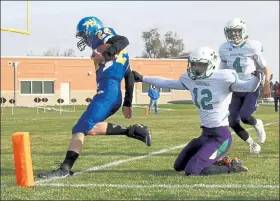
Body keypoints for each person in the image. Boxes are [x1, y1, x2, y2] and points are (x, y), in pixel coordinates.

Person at [38, 16, 151, 179]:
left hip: (107, 92)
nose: (84, 39)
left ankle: (64, 169)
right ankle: (132, 131)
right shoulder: (122, 56)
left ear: (90, 29)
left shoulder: (103, 34)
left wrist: (107, 53)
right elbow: (130, 77)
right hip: (114, 94)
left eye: (84, 34)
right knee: (87, 127)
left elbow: (122, 40)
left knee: (79, 128)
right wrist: (127, 103)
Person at [132, 47, 264, 176]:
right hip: (205, 135)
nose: (195, 68)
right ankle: (216, 161)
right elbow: (167, 82)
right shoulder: (191, 79)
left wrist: (257, 78)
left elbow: (248, 87)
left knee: (192, 170)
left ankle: (232, 167)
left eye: (200, 64)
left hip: (221, 137)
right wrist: (143, 78)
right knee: (179, 166)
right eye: (193, 64)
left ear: (212, 64)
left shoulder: (224, 78)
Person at [219, 18, 271, 154]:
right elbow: (222, 71)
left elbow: (265, 67)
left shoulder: (252, 45)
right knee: (232, 122)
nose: (234, 34)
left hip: (250, 86)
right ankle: (252, 144)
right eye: (231, 31)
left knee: (245, 117)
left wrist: (266, 85)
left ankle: (257, 124)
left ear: (243, 30)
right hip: (235, 88)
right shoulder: (224, 48)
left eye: (236, 30)